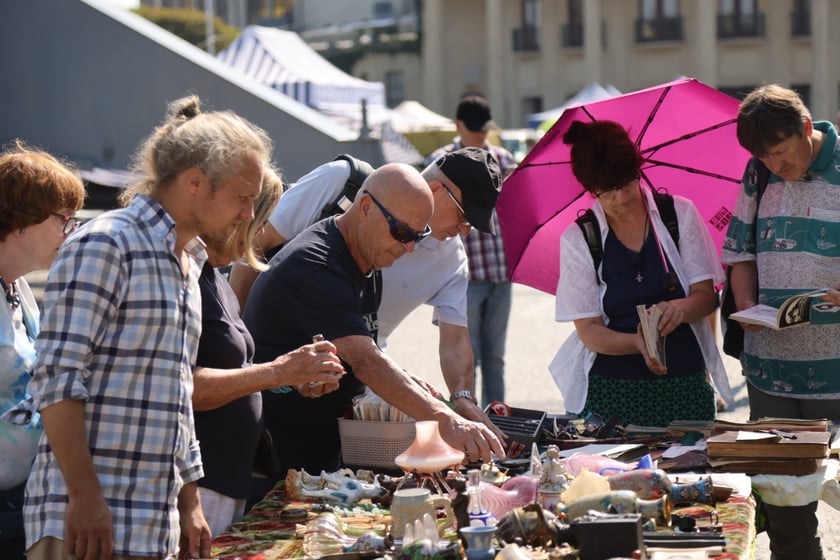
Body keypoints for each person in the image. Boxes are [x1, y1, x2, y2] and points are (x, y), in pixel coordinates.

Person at [18, 96, 271, 560]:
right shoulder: (106, 242)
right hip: (85, 525)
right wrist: (85, 495)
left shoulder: (188, 262)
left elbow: (175, 398)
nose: (248, 214)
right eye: (243, 196)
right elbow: (55, 379)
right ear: (196, 182)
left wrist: (189, 500)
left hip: (148, 524)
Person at [242, 163, 505, 479]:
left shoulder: (365, 258)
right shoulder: (318, 263)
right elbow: (365, 361)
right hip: (275, 447)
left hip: (319, 438)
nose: (408, 247)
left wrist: (408, 382)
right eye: (402, 233)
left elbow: (358, 348)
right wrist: (447, 420)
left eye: (418, 236)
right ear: (365, 208)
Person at [192, 168, 344, 537]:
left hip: (227, 477)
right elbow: (184, 385)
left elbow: (239, 372)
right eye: (258, 219)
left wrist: (290, 379)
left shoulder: (215, 276)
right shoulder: (188, 275)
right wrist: (280, 372)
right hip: (199, 482)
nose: (260, 234)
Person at [723, 84, 840, 560]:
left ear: (806, 129)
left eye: (780, 152)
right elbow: (740, 252)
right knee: (787, 516)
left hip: (837, 367)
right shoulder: (757, 174)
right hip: (771, 371)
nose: (775, 165)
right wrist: (748, 305)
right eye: (764, 156)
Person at [552, 120, 729, 428]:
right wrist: (636, 343)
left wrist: (680, 309)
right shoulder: (580, 238)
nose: (620, 198)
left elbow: (706, 298)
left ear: (638, 170)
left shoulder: (678, 214)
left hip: (686, 383)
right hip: (613, 391)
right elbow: (590, 330)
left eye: (626, 183)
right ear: (590, 190)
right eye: (607, 191)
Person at [0, 143, 85, 559]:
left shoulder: (15, 287)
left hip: (20, 496)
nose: (70, 232)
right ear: (20, 221)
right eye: (64, 219)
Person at [427, 94, 516, 406]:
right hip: (463, 276)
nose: (480, 135)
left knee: (495, 357)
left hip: (500, 272)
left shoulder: (504, 161)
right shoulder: (440, 163)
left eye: (483, 129)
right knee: (468, 354)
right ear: (458, 125)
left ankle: (498, 418)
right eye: (474, 128)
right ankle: (471, 414)